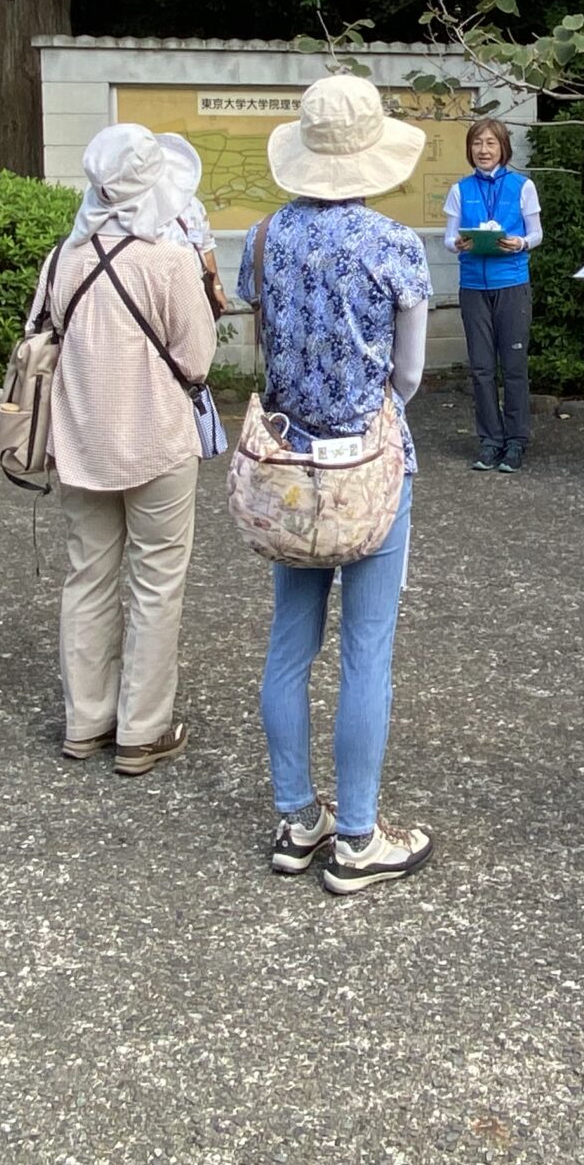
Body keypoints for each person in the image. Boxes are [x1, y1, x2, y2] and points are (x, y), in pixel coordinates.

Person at [237, 74, 435, 893]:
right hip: (369, 467)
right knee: (367, 650)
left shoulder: (264, 238)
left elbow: (260, 343)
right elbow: (410, 375)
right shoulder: (394, 244)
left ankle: (297, 819)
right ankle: (358, 836)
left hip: (288, 466)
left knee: (290, 643)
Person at [38, 124, 214, 770]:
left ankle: (84, 721)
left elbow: (45, 335)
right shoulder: (168, 259)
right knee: (155, 581)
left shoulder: (63, 257)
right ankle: (141, 729)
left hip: (80, 437)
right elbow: (196, 359)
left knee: (87, 576)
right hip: (157, 437)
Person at [445, 119, 543, 472]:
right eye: (477, 143)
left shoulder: (522, 186)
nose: (483, 150)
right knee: (481, 368)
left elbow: (536, 234)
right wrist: (458, 244)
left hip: (511, 282)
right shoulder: (460, 189)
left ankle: (516, 441)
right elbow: (449, 238)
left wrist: (520, 243)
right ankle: (489, 441)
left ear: (503, 148)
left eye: (490, 143)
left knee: (514, 366)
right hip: (473, 285)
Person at [154, 132, 228, 316]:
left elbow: (206, 247)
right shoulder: (146, 206)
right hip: (159, 291)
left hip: (195, 290)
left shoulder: (194, 205)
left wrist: (216, 286)